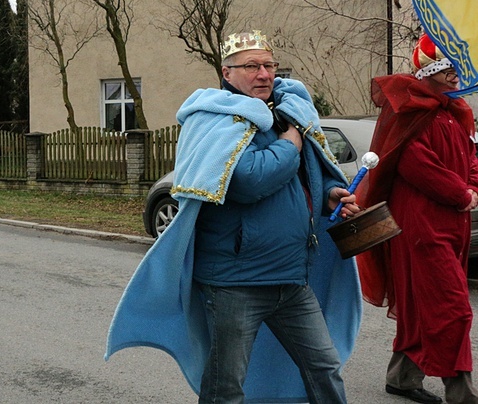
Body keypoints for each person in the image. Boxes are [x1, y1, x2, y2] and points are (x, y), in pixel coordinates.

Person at [106, 30, 363, 403]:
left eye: (269, 65)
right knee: (226, 384)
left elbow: (307, 175)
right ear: (227, 73)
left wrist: (328, 195)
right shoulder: (213, 118)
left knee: (324, 367)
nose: (263, 74)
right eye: (251, 66)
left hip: (291, 276)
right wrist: (291, 142)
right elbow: (249, 180)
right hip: (234, 282)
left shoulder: (285, 115)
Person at [356, 33, 478, 404]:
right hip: (421, 226)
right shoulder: (409, 111)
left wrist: (472, 188)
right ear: (431, 71)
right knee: (452, 307)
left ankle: (402, 377)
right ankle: (461, 392)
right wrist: (462, 194)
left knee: (419, 303)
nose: (456, 74)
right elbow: (416, 164)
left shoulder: (452, 112)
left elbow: (471, 159)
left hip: (450, 224)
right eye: (449, 67)